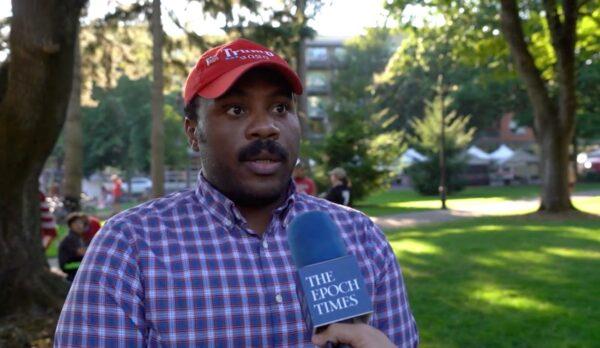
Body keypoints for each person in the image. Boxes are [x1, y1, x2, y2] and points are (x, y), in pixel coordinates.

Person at [55, 39, 418, 347]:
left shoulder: (361, 236)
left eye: (280, 108)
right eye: (236, 109)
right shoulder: (128, 246)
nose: (265, 127)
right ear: (193, 133)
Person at [58, 212, 88, 282]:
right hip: (69, 266)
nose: (79, 226)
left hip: (75, 266)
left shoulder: (78, 237)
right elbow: (81, 252)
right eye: (76, 223)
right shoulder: (71, 238)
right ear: (70, 225)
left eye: (81, 223)